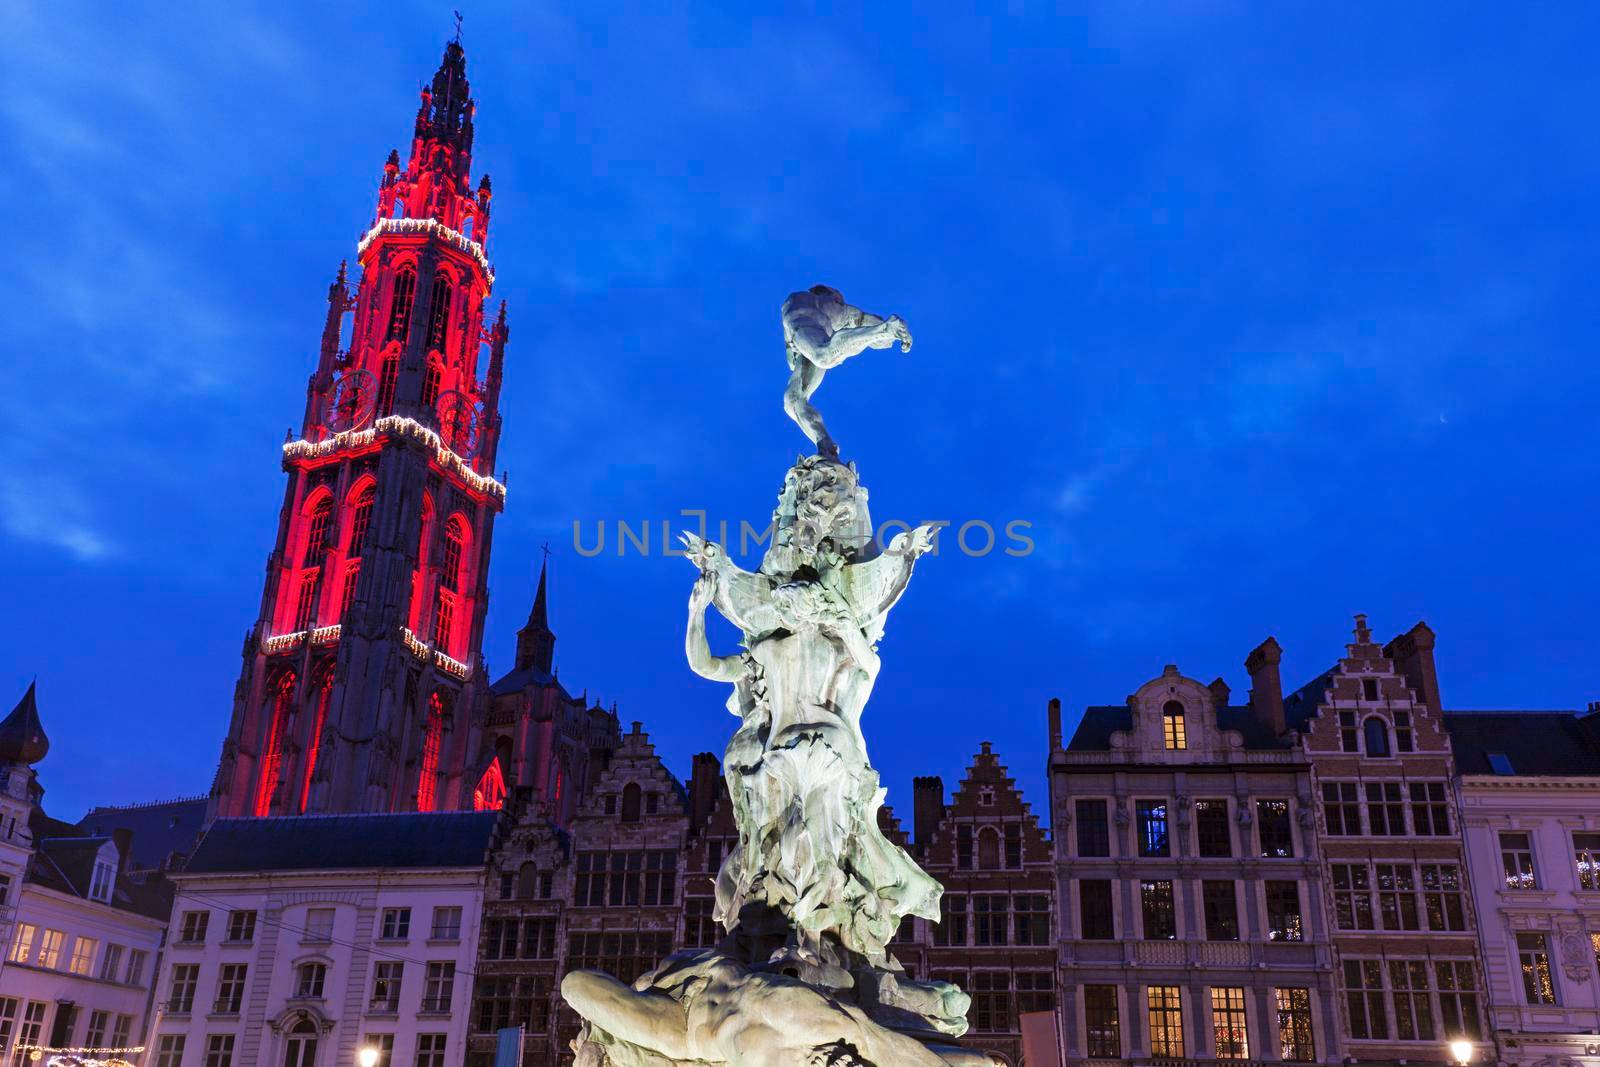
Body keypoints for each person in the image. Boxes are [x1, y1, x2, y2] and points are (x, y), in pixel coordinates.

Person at [781, 285, 912, 458]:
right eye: (837, 299)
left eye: (838, 300)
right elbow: (859, 318)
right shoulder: (815, 302)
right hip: (803, 335)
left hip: (802, 329)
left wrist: (885, 331)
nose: (839, 302)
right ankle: (825, 444)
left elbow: (858, 318)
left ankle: (885, 329)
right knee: (793, 400)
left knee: (823, 356)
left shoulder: (823, 306)